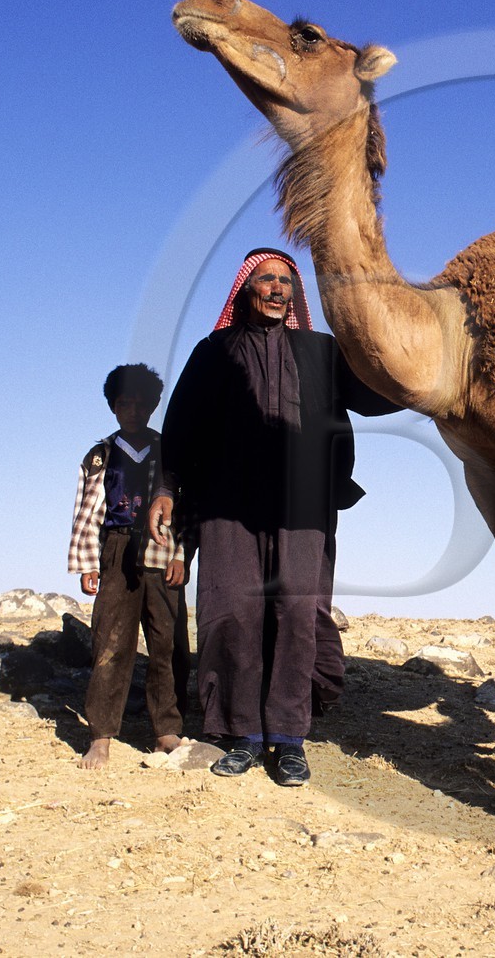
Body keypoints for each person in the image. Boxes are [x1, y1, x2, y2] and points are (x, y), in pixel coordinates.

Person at [149, 248, 399, 786]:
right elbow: (182, 425)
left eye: (286, 281)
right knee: (232, 610)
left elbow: (378, 392)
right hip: (227, 503)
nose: (277, 288)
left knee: (296, 612)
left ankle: (288, 739)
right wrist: (167, 488)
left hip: (304, 507)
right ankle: (241, 734)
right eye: (266, 279)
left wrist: (432, 374)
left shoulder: (323, 352)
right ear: (246, 289)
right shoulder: (214, 351)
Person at [67, 364, 191, 770]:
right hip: (116, 552)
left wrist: (180, 553)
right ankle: (101, 735)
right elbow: (87, 510)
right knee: (110, 642)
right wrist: (88, 562)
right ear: (113, 406)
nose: (133, 411)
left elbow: (187, 506)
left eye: (141, 404)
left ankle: (165, 730)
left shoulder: (169, 448)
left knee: (166, 643)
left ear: (154, 406)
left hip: (162, 549)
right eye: (125, 404)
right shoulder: (101, 454)